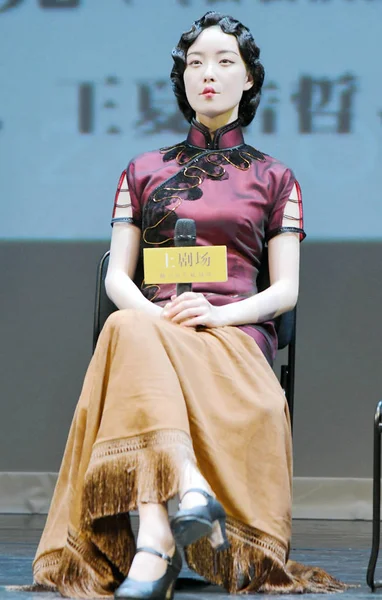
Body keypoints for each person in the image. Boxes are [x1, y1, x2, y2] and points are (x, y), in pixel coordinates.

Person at [32, 11, 346, 599]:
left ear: (249, 78)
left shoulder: (276, 178)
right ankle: (163, 524)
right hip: (152, 331)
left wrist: (215, 314)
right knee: (129, 327)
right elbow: (118, 280)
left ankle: (161, 539)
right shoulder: (143, 170)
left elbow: (285, 292)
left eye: (225, 62)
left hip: (232, 338)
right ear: (182, 79)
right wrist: (158, 317)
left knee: (129, 334)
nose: (208, 74)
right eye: (196, 63)